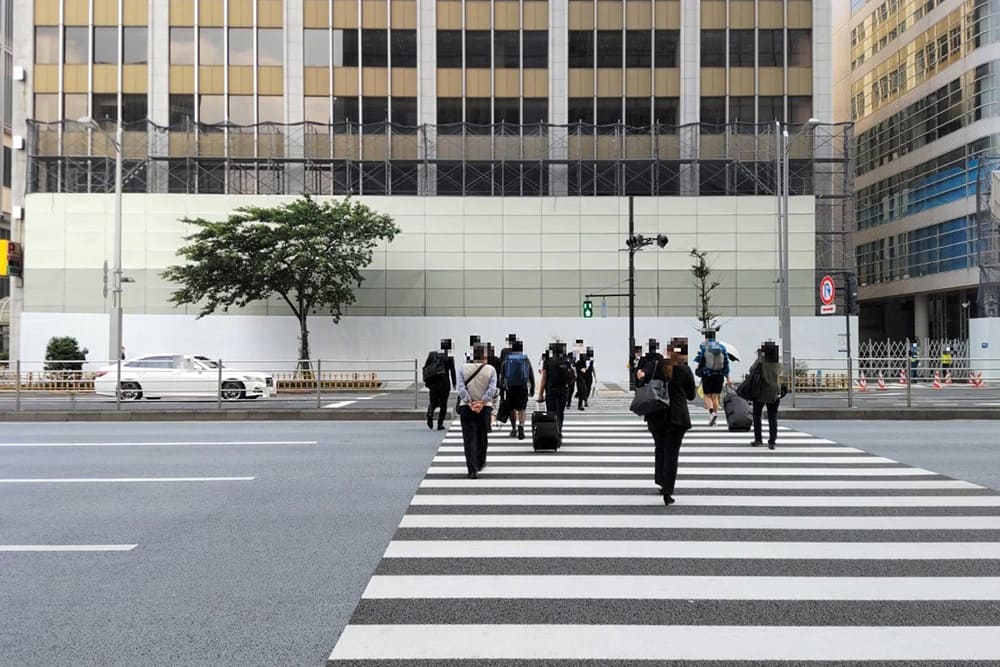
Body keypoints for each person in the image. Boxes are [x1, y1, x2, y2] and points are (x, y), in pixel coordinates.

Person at [635, 337, 697, 506]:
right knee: (672, 453)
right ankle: (668, 491)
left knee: (660, 448)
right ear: (684, 354)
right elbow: (691, 396)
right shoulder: (685, 370)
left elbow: (641, 382)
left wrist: (641, 375)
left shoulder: (656, 365)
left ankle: (661, 482)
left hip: (656, 414)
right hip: (677, 416)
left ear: (668, 351)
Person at [456, 342, 498, 479]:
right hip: (484, 408)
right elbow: (492, 389)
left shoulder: (463, 368)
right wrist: (482, 402)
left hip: (466, 407)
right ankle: (480, 463)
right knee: (482, 436)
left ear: (473, 355)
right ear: (485, 355)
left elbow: (460, 388)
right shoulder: (490, 369)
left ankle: (472, 469)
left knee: (469, 439)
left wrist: (470, 402)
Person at [748, 341, 783, 450]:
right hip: (775, 392)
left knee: (757, 415)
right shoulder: (778, 363)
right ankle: (772, 441)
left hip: (760, 392)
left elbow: (752, 370)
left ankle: (758, 439)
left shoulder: (760, 362)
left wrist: (760, 356)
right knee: (772, 416)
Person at [693, 330, 731, 426]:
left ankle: (711, 413)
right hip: (719, 375)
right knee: (715, 396)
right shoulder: (722, 347)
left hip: (707, 375)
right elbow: (726, 362)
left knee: (707, 395)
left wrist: (699, 368)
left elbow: (701, 359)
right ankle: (715, 416)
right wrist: (728, 377)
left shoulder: (704, 346)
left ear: (706, 337)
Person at [500, 339, 535, 440]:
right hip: (522, 387)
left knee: (512, 409)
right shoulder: (525, 359)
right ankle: (521, 426)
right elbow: (531, 373)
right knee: (522, 409)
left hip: (510, 388)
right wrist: (532, 387)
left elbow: (502, 375)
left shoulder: (507, 359)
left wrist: (502, 389)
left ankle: (514, 428)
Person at [537, 341, 575, 429]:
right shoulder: (567, 360)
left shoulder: (548, 361)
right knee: (560, 412)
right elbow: (573, 376)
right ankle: (559, 430)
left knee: (551, 412)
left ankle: (552, 431)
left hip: (551, 389)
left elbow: (544, 377)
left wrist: (541, 393)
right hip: (564, 389)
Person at [423, 339, 457, 431]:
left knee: (433, 401)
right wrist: (454, 383)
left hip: (433, 384)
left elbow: (426, 367)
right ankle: (440, 424)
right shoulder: (449, 357)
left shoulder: (432, 354)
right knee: (443, 404)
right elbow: (452, 372)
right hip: (444, 384)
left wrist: (427, 381)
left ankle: (430, 413)